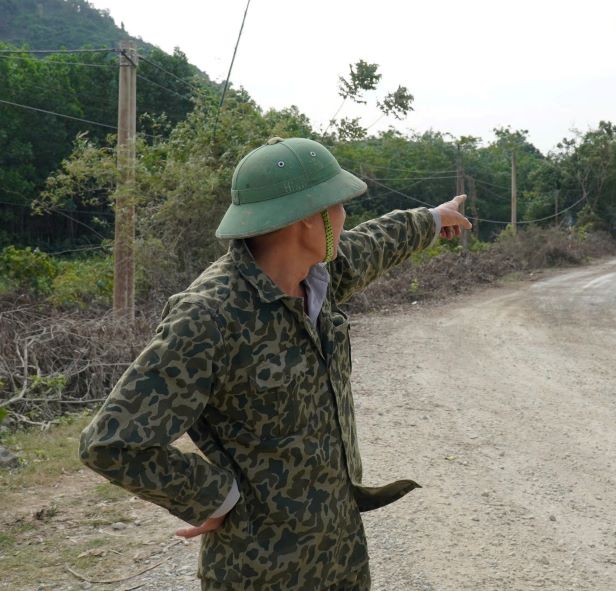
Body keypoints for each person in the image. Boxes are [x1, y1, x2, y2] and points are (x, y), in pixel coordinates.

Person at [79, 136, 472, 590]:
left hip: (339, 552)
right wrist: (213, 497)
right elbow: (111, 442)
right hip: (260, 569)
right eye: (339, 205)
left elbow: (371, 244)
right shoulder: (210, 315)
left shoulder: (313, 276)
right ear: (308, 219)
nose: (345, 218)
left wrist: (431, 220)